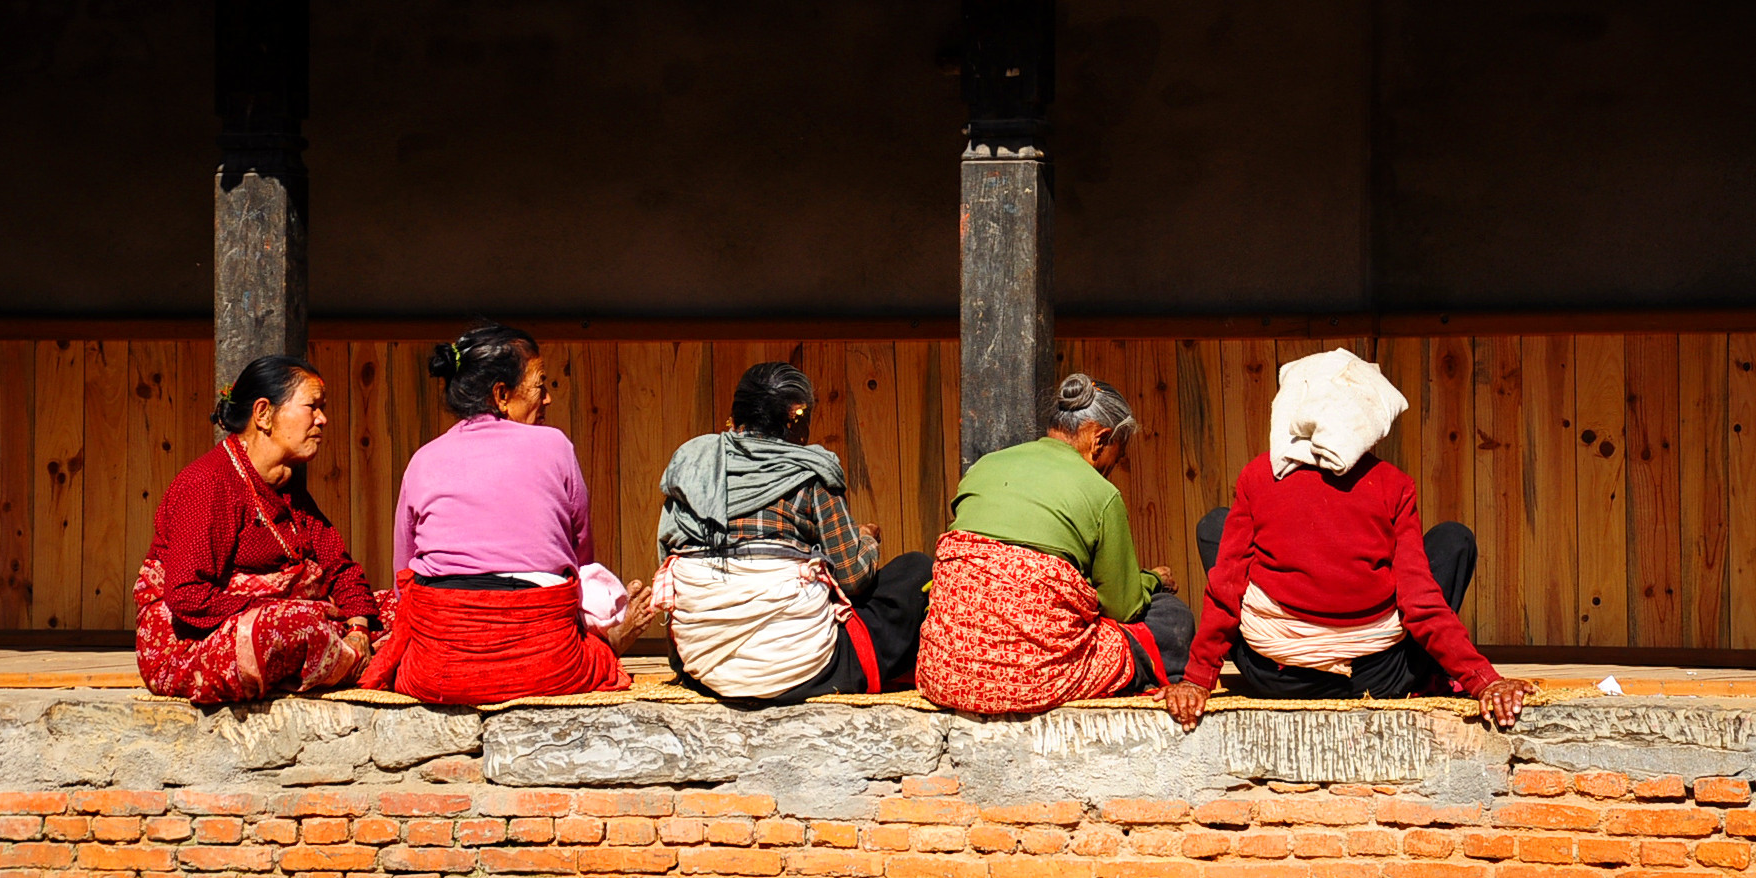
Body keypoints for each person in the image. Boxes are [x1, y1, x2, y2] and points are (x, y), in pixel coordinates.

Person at [1161, 348, 1534, 731]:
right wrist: (1483, 679)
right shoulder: (1394, 484)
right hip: (1380, 679)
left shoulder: (1257, 476)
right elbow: (1419, 602)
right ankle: (1436, 672)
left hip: (1274, 679)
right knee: (1453, 539)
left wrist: (1197, 679)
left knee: (1215, 527)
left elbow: (1227, 589)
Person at [359, 322, 648, 705]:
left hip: (438, 671)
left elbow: (403, 578)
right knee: (594, 652)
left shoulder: (423, 459)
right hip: (550, 662)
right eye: (541, 385)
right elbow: (581, 562)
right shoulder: (555, 446)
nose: (547, 400)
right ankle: (601, 646)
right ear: (502, 394)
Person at [917, 374, 1194, 715]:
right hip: (1035, 679)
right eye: (1117, 457)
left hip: (947, 674)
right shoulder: (1101, 493)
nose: (1112, 469)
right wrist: (1152, 579)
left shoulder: (984, 467)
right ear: (1101, 440)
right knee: (1170, 615)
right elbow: (1122, 609)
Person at [655, 362, 932, 702]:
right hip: (803, 669)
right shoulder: (810, 472)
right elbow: (853, 577)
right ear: (795, 421)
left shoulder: (691, 469)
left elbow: (669, 554)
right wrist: (868, 540)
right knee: (915, 570)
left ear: (737, 415)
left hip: (704, 667)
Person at [135, 356, 385, 704]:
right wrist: (291, 608)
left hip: (303, 616)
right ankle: (364, 664)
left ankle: (346, 658)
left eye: (322, 409)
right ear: (264, 413)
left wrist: (358, 628)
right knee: (290, 627)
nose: (322, 419)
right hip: (192, 643)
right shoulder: (207, 484)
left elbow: (339, 567)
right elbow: (188, 597)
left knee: (403, 609)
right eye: (312, 407)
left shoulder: (287, 487)